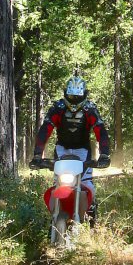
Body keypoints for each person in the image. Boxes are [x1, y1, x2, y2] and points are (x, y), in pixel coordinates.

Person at [30, 75, 111, 227]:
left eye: (77, 96)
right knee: (58, 183)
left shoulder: (90, 110)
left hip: (83, 152)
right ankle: (55, 218)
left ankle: (91, 218)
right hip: (62, 150)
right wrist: (37, 154)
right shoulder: (58, 108)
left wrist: (104, 154)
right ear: (66, 93)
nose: (74, 99)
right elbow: (45, 130)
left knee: (87, 185)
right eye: (71, 96)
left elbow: (101, 131)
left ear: (84, 94)